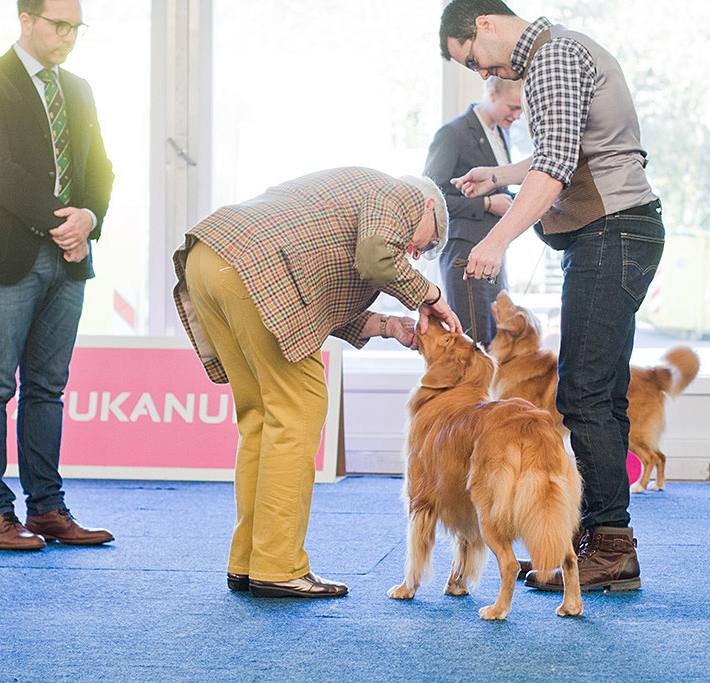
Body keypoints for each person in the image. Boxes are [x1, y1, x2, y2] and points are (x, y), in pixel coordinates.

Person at [438, 0, 665, 592]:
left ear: (484, 24)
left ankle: (610, 547)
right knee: (603, 393)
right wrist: (502, 175)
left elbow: (560, 165)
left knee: (583, 395)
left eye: (476, 62)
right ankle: (602, 541)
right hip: (617, 233)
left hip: (610, 235)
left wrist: (496, 238)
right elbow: (566, 150)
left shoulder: (553, 57)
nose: (485, 75)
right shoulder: (557, 53)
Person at [173, 167, 462, 598]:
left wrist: (389, 326)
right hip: (254, 271)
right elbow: (376, 258)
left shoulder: (351, 206)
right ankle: (278, 566)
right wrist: (432, 296)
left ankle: (248, 561)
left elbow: (323, 311)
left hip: (210, 257)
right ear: (427, 207)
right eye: (430, 241)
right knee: (300, 407)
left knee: (260, 418)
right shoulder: (400, 195)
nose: (418, 253)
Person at [0, 0, 115, 551]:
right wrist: (59, 223)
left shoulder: (80, 89)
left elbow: (101, 169)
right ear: (26, 20)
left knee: (48, 387)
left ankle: (46, 509)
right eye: (58, 25)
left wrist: (88, 217)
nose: (68, 37)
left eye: (76, 27)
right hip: (7, 252)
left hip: (69, 257)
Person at [423, 76, 523, 347]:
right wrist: (487, 204)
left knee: (494, 340)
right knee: (475, 343)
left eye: (521, 109)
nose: (517, 115)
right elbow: (430, 196)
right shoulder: (453, 134)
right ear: (491, 94)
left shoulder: (500, 133)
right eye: (512, 107)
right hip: (465, 252)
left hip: (490, 253)